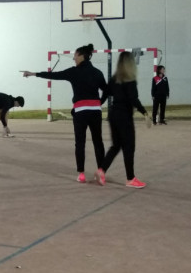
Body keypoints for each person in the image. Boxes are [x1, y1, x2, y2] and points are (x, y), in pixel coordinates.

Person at [22, 43, 107, 183]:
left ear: (81, 56)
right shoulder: (98, 72)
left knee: (80, 143)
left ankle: (81, 174)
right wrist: (99, 103)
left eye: (75, 55)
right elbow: (106, 90)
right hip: (95, 112)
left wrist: (33, 74)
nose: (73, 58)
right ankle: (101, 173)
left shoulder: (74, 71)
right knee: (98, 142)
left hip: (80, 111)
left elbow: (53, 75)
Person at [95, 52, 151, 189]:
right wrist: (145, 112)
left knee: (116, 145)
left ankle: (101, 170)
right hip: (124, 116)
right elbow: (133, 99)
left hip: (113, 115)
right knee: (129, 147)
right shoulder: (130, 80)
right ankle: (130, 178)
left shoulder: (114, 79)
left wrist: (97, 104)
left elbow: (105, 94)